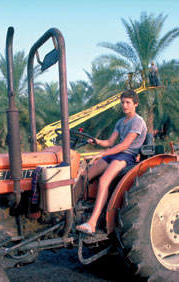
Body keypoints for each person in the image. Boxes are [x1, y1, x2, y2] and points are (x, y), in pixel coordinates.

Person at [76, 90, 147, 235]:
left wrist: (102, 154)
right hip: (115, 152)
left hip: (127, 155)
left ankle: (92, 223)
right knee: (84, 175)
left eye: (128, 102)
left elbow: (124, 146)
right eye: (122, 102)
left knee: (104, 180)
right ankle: (68, 212)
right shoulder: (121, 122)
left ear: (136, 104)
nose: (124, 105)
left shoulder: (137, 122)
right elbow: (110, 142)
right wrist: (97, 142)